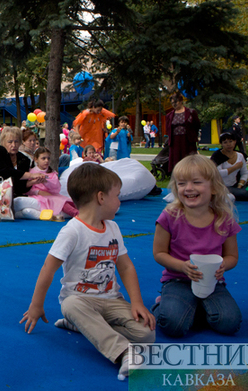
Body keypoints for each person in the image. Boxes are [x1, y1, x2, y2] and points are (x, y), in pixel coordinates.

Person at [20, 163, 155, 381]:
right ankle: (122, 352)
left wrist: (137, 302)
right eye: (117, 196)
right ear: (101, 197)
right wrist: (36, 306)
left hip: (111, 299)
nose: (120, 201)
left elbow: (126, 266)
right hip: (80, 300)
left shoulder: (113, 228)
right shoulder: (72, 231)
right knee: (71, 305)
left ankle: (83, 326)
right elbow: (48, 268)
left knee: (146, 334)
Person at [151, 154, 242, 337]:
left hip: (212, 282)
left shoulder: (224, 219)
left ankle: (193, 309)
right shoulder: (170, 216)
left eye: (196, 182)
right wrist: (182, 267)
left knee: (230, 322)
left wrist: (223, 265)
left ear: (214, 187)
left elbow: (232, 256)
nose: (188, 188)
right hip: (177, 280)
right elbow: (159, 253)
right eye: (182, 183)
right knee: (172, 325)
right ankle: (164, 304)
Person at [16, 147, 78, 219]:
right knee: (61, 202)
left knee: (68, 201)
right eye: (43, 158)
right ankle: (76, 214)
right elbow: (28, 189)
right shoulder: (32, 172)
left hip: (52, 195)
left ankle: (83, 211)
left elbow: (56, 187)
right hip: (40, 197)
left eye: (48, 158)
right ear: (36, 159)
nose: (46, 161)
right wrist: (38, 192)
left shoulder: (51, 173)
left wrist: (46, 181)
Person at [210, 132, 248, 201]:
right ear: (221, 144)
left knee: (246, 192)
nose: (229, 144)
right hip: (220, 186)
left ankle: (229, 195)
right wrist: (235, 167)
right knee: (243, 194)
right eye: (225, 142)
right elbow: (218, 173)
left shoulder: (240, 156)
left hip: (234, 185)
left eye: (230, 141)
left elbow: (244, 173)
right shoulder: (217, 156)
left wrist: (239, 186)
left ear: (235, 142)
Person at [166, 92, 200, 173]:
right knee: (177, 162)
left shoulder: (191, 112)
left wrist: (194, 136)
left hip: (188, 141)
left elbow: (197, 125)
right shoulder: (169, 115)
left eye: (175, 102)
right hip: (175, 142)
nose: (174, 104)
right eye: (172, 103)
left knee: (189, 161)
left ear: (181, 101)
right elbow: (168, 128)